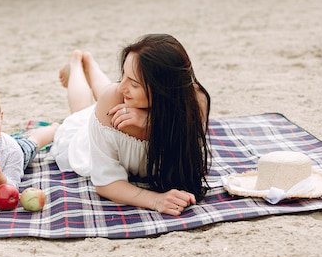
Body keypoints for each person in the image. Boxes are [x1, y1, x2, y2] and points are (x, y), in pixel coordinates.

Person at [49, 34, 210, 216]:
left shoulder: (194, 103)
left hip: (121, 108)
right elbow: (106, 184)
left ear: (164, 89)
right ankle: (77, 63)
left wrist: (152, 123)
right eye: (123, 74)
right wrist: (156, 200)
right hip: (86, 140)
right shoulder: (112, 99)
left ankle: (90, 65)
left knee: (110, 93)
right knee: (82, 112)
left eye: (134, 83)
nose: (122, 86)